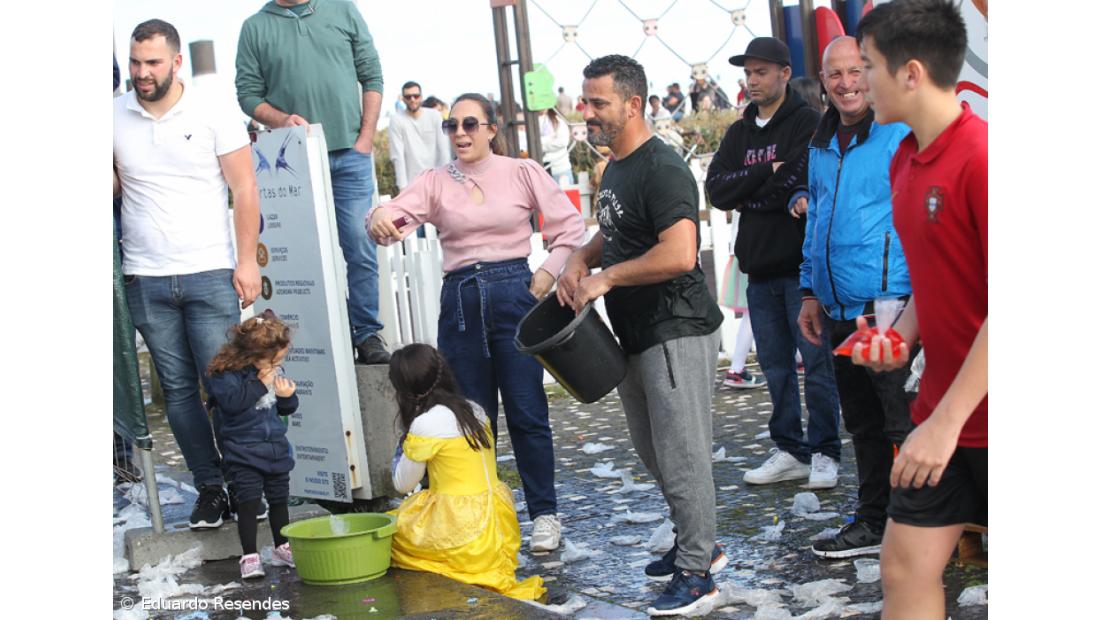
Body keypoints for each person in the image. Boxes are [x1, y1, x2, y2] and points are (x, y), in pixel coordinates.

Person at [367, 93, 586, 552]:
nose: (460, 133)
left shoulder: (522, 172)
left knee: (528, 411)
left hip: (516, 294)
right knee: (469, 417)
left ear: (492, 128)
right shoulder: (435, 181)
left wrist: (545, 276)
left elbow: (569, 226)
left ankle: (544, 515)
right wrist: (380, 219)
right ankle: (478, 514)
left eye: (470, 124)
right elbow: (389, 216)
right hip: (462, 299)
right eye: (452, 126)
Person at [558, 55, 727, 617]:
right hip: (633, 333)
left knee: (682, 457)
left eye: (598, 102)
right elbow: (615, 230)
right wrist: (581, 258)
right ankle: (698, 540)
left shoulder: (662, 167)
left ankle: (699, 573)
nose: (588, 112)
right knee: (653, 451)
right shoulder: (618, 166)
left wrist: (605, 278)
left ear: (632, 104)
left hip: (674, 329)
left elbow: (680, 253)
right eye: (586, 101)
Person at [854, 2, 987, 616]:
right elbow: (937, 280)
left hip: (974, 420)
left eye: (867, 67)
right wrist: (902, 335)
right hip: (942, 415)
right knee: (904, 570)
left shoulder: (986, 159)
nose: (858, 82)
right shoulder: (904, 156)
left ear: (911, 73)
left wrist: (944, 423)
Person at [114, 19, 261, 529]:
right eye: (135, 62)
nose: (142, 72)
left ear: (177, 62)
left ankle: (248, 483)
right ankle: (211, 488)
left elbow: (243, 189)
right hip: (146, 277)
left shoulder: (213, 108)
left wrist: (245, 261)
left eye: (152, 62)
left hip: (208, 270)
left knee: (225, 386)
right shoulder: (112, 114)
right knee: (177, 392)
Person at [792, 36, 914, 559]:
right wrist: (810, 291)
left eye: (855, 71)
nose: (846, 83)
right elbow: (816, 218)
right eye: (835, 74)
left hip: (888, 303)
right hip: (839, 307)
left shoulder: (897, 132)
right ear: (823, 82)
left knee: (902, 422)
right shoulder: (819, 142)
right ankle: (874, 522)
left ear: (872, 72)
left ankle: (919, 528)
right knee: (862, 423)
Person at [705, 36, 841, 489]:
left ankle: (824, 450)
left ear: (785, 73)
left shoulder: (807, 122)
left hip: (802, 269)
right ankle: (790, 449)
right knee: (776, 367)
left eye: (762, 72)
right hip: (758, 268)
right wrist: (766, 173)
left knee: (817, 364)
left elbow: (799, 183)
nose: (752, 80)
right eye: (748, 73)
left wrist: (753, 193)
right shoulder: (740, 131)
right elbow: (716, 190)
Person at [235, 0, 390, 365]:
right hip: (293, 160)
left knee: (360, 248)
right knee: (303, 259)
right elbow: (247, 94)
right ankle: (316, 341)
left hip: (350, 154)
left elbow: (372, 74)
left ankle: (366, 334)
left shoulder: (343, 9)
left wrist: (365, 138)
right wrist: (280, 119)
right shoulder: (254, 27)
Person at [388, 344, 545, 600]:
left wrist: (404, 444)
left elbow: (403, 484)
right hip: (497, 519)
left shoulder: (425, 423)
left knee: (393, 537)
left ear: (404, 390)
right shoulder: (475, 409)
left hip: (460, 524)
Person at [203, 312, 298, 580]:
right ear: (254, 355)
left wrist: (287, 397)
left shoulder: (271, 370)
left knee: (280, 499)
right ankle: (250, 556)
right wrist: (260, 384)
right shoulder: (225, 375)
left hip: (275, 447)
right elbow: (233, 404)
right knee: (249, 501)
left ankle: (282, 547)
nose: (279, 364)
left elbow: (285, 408)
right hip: (243, 451)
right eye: (275, 359)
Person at [719, 213, 765, 389]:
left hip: (744, 249)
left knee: (754, 311)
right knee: (754, 311)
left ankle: (798, 358)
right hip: (751, 251)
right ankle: (736, 369)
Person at [389, 81, 451, 195]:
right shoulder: (396, 120)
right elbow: (398, 155)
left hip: (437, 181)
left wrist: (446, 180)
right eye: (408, 97)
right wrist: (403, 188)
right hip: (412, 185)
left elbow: (444, 149)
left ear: (421, 97)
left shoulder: (434, 115)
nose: (412, 99)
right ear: (403, 99)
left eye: (416, 96)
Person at [539, 107, 573, 184]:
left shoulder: (558, 120)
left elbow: (562, 142)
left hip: (560, 168)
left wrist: (541, 146)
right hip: (542, 169)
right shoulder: (531, 121)